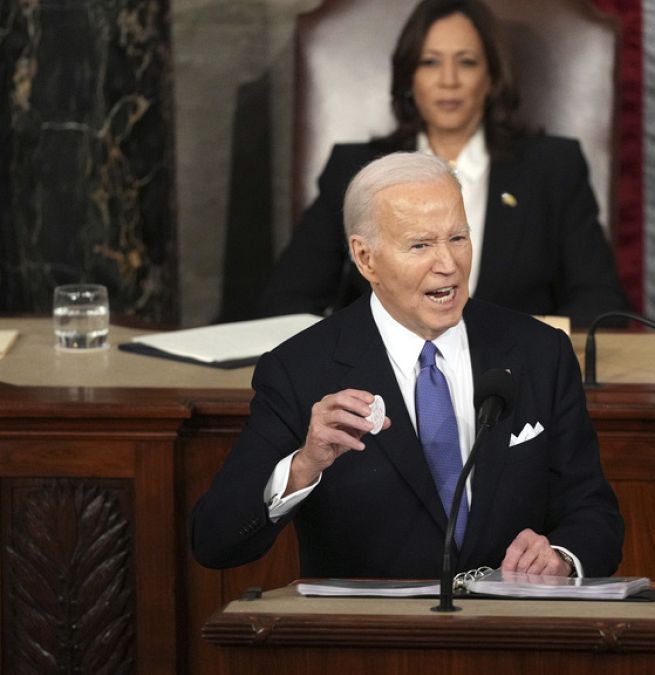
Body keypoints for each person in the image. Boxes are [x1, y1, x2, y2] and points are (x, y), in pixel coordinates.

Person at [192, 152, 624, 579]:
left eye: (458, 238)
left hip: (513, 633)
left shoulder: (539, 352)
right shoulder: (300, 371)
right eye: (421, 245)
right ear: (365, 259)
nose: (449, 265)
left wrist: (563, 557)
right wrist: (304, 465)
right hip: (375, 642)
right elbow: (216, 541)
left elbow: (593, 513)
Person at [259, 0, 628, 327]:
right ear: (409, 79)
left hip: (515, 383)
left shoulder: (552, 167)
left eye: (466, 62)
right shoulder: (355, 169)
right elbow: (285, 302)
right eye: (430, 62)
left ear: (491, 79)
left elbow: (601, 307)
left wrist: (525, 346)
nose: (448, 81)